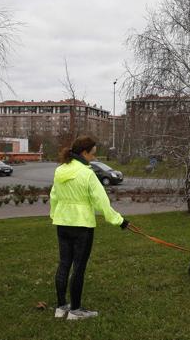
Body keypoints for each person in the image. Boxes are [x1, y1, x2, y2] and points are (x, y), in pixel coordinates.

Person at [50, 136, 130, 320]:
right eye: (93, 153)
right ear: (84, 153)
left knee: (64, 264)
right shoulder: (87, 174)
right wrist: (119, 221)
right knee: (78, 268)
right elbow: (102, 201)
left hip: (62, 224)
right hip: (82, 227)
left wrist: (55, 215)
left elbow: (54, 196)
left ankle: (61, 307)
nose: (94, 157)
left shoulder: (59, 170)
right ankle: (75, 311)